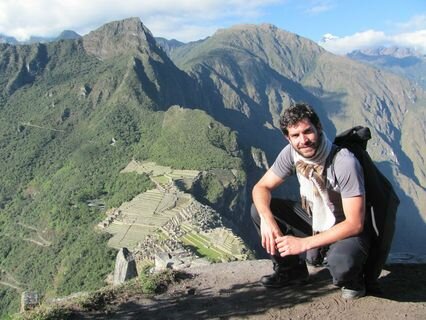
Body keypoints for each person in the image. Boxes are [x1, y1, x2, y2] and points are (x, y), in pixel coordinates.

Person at [251, 103, 372, 299]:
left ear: (319, 128)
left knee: (342, 265)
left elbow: (355, 224)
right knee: (259, 209)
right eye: (295, 136)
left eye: (308, 131)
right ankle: (291, 271)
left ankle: (354, 277)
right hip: (315, 219)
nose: (303, 140)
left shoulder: (343, 162)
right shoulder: (292, 154)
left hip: (345, 228)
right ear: (287, 138)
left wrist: (304, 243)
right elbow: (260, 188)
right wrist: (267, 219)